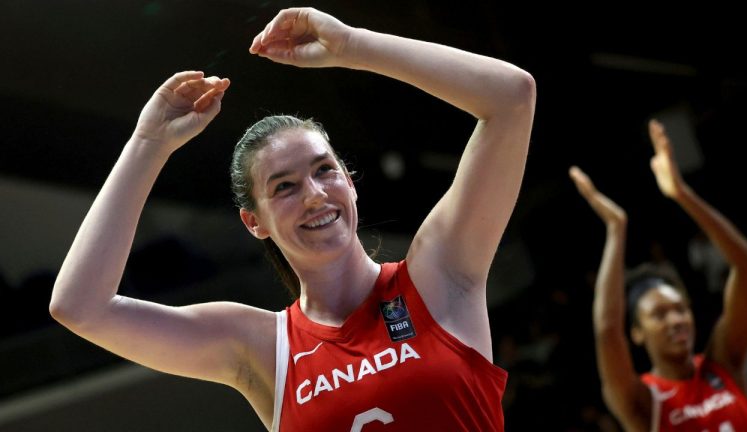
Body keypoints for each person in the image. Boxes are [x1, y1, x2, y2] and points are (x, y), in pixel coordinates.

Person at [50, 7, 535, 431]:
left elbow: (512, 98)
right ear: (253, 222)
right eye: (284, 186)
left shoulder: (437, 275)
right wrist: (147, 145)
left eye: (324, 170)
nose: (314, 195)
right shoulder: (259, 347)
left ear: (350, 181)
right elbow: (78, 306)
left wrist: (351, 45)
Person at [569, 119, 747, 431]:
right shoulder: (643, 402)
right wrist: (616, 229)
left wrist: (682, 193)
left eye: (680, 309)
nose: (675, 320)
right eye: (659, 315)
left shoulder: (724, 363)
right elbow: (607, 329)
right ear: (637, 333)